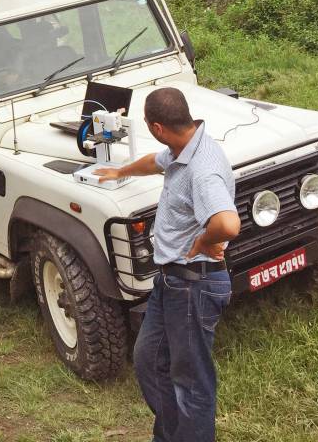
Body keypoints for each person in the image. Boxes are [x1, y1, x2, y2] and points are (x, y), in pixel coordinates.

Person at [95, 87, 240, 442]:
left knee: (191, 382)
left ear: (158, 126)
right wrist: (119, 172)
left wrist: (205, 241)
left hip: (195, 285)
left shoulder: (202, 168)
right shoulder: (182, 148)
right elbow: (153, 162)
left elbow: (228, 224)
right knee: (148, 361)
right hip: (172, 282)